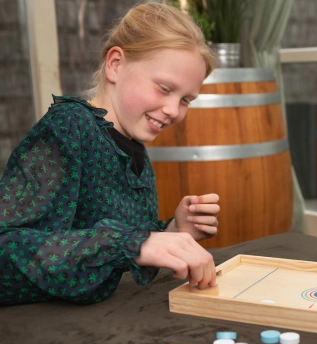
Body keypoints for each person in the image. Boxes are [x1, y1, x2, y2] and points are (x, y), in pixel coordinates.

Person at [0, 3, 221, 305]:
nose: (173, 110)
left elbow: (125, 248)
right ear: (115, 64)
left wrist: (174, 230)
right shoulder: (68, 127)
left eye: (186, 99)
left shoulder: (135, 147)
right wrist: (133, 243)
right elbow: (6, 249)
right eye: (164, 88)